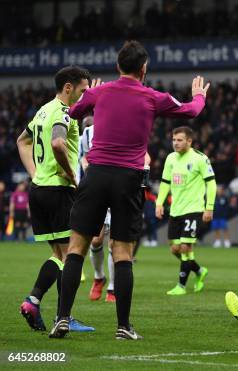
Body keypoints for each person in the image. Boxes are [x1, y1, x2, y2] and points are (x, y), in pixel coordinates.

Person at [50, 41, 210, 340]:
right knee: (122, 252)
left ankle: (61, 318)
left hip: (95, 174)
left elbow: (72, 112)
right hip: (129, 179)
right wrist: (199, 96)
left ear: (117, 66)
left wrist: (92, 96)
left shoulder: (100, 92)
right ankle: (123, 326)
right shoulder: (152, 96)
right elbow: (190, 111)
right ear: (144, 68)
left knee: (76, 249)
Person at [16, 65, 95, 333]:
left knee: (59, 255)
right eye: (83, 91)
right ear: (68, 88)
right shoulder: (63, 112)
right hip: (59, 191)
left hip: (39, 191)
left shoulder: (42, 110)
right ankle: (61, 315)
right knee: (72, 254)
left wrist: (35, 174)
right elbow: (58, 144)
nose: (86, 95)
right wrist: (73, 176)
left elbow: (22, 141)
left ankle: (34, 302)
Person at [155, 126, 216, 296]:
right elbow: (165, 182)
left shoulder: (200, 159)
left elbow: (211, 183)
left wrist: (209, 207)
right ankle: (199, 270)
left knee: (185, 247)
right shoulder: (170, 158)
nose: (176, 143)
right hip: (176, 210)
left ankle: (181, 286)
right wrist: (159, 203)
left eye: (179, 140)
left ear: (189, 141)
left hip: (193, 209)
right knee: (175, 249)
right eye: (174, 140)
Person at [79, 116, 116, 303]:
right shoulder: (87, 133)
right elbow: (82, 157)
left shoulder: (123, 128)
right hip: (96, 188)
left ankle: (112, 288)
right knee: (95, 240)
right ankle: (99, 276)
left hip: (118, 187)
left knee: (115, 243)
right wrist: (88, 170)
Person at [212, 184, 233, 248]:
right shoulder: (213, 197)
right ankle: (217, 241)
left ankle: (227, 242)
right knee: (216, 229)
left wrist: (226, 214)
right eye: (217, 189)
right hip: (215, 216)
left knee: (225, 229)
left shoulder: (225, 198)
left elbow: (227, 207)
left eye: (219, 189)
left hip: (222, 217)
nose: (218, 191)